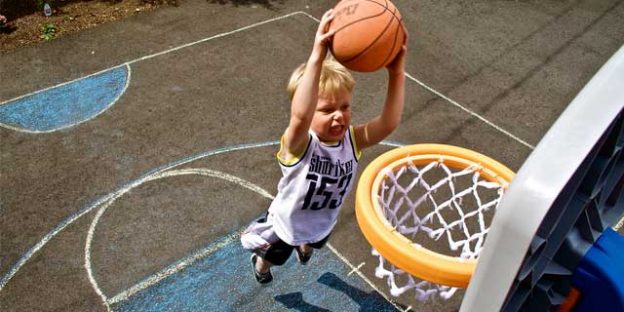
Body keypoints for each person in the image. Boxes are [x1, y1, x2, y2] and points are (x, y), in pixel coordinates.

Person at [240, 9, 407, 284]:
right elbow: (300, 116)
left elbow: (388, 123)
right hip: (287, 226)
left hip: (323, 220)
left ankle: (305, 247)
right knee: (275, 257)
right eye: (327, 109)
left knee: (313, 244)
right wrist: (317, 54)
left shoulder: (352, 141)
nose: (339, 115)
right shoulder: (299, 145)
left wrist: (397, 73)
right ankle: (261, 265)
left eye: (344, 107)